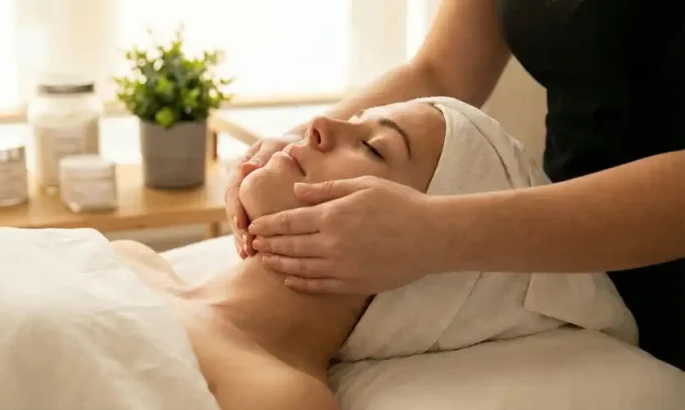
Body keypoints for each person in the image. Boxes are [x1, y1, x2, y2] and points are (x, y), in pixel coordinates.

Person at [226, 0, 685, 370]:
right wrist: (289, 144)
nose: (322, 128)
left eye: (377, 149)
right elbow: (438, 72)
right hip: (557, 242)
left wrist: (437, 233)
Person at [0, 100, 445, 410]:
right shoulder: (130, 257)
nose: (319, 126)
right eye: (355, 119)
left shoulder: (277, 394)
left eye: (376, 148)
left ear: (408, 247)